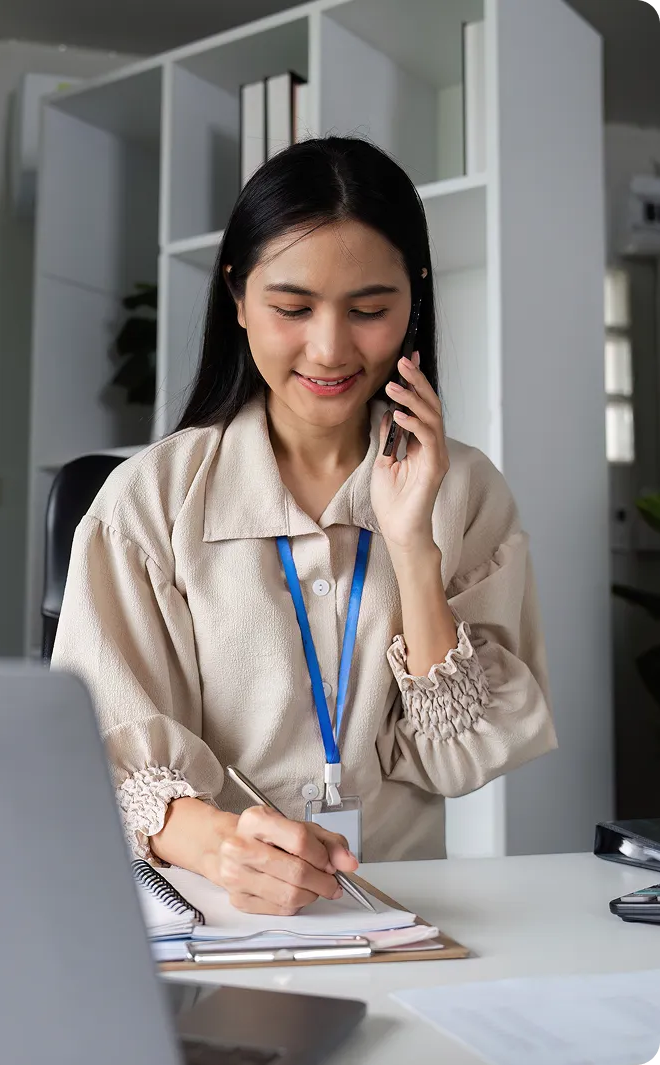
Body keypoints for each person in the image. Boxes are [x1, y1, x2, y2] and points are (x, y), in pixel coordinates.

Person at [52, 136, 556, 916]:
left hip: (404, 910)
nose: (328, 348)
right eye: (292, 307)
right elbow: (96, 761)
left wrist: (413, 548)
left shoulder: (467, 491)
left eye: (369, 309)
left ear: (413, 297)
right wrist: (224, 847)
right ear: (238, 296)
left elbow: (467, 753)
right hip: (210, 911)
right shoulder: (146, 501)